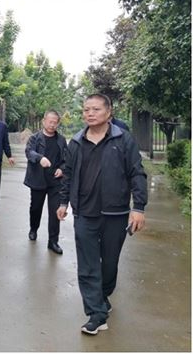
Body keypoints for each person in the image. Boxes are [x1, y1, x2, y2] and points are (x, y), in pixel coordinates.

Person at [57, 93, 147, 335]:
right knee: (87, 266)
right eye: (86, 109)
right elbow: (68, 174)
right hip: (84, 213)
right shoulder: (76, 142)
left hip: (115, 213)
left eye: (96, 109)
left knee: (109, 264)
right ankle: (96, 315)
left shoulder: (123, 139)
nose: (90, 113)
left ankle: (102, 296)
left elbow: (137, 173)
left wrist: (138, 207)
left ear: (109, 112)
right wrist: (63, 202)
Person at [23, 110, 67, 254]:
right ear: (44, 121)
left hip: (55, 182)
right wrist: (40, 158)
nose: (52, 125)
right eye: (50, 121)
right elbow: (29, 152)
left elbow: (66, 159)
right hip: (38, 180)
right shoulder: (35, 138)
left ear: (58, 123)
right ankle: (33, 228)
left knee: (55, 212)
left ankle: (53, 241)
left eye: (55, 122)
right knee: (36, 208)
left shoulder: (61, 140)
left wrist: (61, 169)